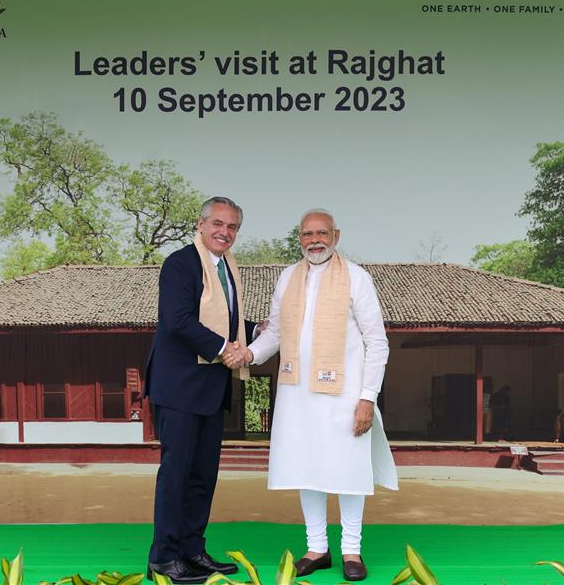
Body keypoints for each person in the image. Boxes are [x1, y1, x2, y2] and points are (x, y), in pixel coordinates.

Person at [225, 208, 398, 582]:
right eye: (307, 234)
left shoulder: (356, 277)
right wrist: (249, 353)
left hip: (345, 395)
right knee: (308, 468)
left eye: (321, 233)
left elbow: (377, 342)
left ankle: (352, 550)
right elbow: (274, 334)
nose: (314, 240)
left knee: (348, 470)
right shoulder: (288, 277)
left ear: (335, 236)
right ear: (299, 238)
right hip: (297, 393)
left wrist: (368, 397)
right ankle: (317, 548)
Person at [145, 196, 257, 584]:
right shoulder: (181, 264)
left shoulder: (228, 268)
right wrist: (227, 348)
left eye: (232, 227)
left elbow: (230, 322)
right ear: (202, 224)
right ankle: (163, 557)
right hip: (178, 386)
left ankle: (192, 550)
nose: (224, 232)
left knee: (202, 476)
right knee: (175, 474)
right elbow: (176, 320)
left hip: (211, 387)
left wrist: (255, 335)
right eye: (218, 224)